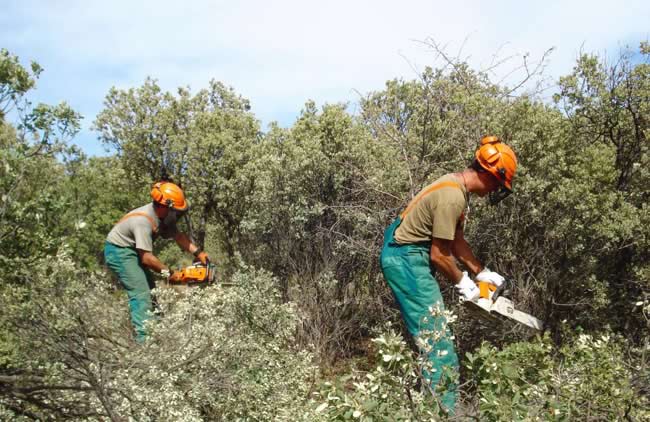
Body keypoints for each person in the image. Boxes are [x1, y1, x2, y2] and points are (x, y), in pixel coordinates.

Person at [379, 136, 517, 413]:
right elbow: (438, 254)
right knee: (438, 343)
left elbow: (455, 241)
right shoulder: (452, 196)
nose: (495, 191)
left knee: (433, 338)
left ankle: (431, 406)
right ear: (489, 175)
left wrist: (481, 273)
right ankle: (443, 414)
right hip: (406, 259)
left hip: (408, 254)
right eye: (498, 185)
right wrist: (464, 284)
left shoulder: (456, 188)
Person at [104, 180, 209, 343]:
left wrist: (199, 253)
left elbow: (179, 236)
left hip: (133, 251)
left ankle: (158, 333)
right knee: (141, 292)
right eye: (176, 212)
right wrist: (172, 274)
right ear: (163, 207)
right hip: (119, 251)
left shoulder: (164, 218)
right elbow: (147, 258)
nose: (178, 216)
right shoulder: (143, 222)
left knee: (151, 290)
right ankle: (145, 344)